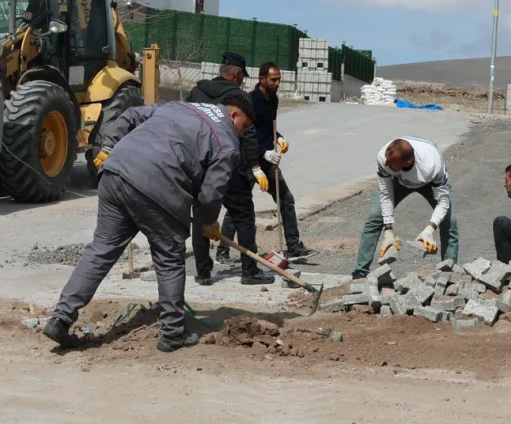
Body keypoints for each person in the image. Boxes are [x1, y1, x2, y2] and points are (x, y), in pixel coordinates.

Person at [41, 93, 254, 352]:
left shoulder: (181, 106)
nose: (242, 134)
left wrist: (108, 147)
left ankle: (60, 318)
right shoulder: (227, 142)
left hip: (115, 172)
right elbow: (210, 194)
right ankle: (173, 333)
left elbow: (130, 115)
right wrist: (209, 222)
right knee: (169, 259)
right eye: (245, 126)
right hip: (158, 187)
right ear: (234, 115)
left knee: (101, 250)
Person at [187, 52, 272, 286]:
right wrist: (255, 166)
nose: (243, 81)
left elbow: (184, 122)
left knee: (202, 216)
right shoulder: (238, 97)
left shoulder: (197, 92)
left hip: (201, 165)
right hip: (230, 165)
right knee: (243, 217)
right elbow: (249, 134)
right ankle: (249, 271)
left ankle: (203, 272)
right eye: (242, 76)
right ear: (235, 74)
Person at [353, 137, 458, 277]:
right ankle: (360, 274)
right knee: (375, 217)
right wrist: (388, 229)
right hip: (399, 181)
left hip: (429, 182)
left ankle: (448, 276)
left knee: (450, 223)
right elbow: (385, 193)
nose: (386, 165)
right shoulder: (385, 158)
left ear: (407, 162)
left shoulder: (432, 165)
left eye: (390, 164)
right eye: (386, 161)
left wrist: (429, 230)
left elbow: (443, 202)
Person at [250, 62, 314, 262]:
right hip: (251, 160)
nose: (278, 83)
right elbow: (247, 133)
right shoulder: (250, 101)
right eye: (273, 80)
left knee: (286, 200)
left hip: (269, 162)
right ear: (262, 79)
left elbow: (268, 128)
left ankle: (293, 246)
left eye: (279, 79)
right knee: (241, 204)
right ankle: (223, 251)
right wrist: (263, 153)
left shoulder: (274, 100)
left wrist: (278, 138)